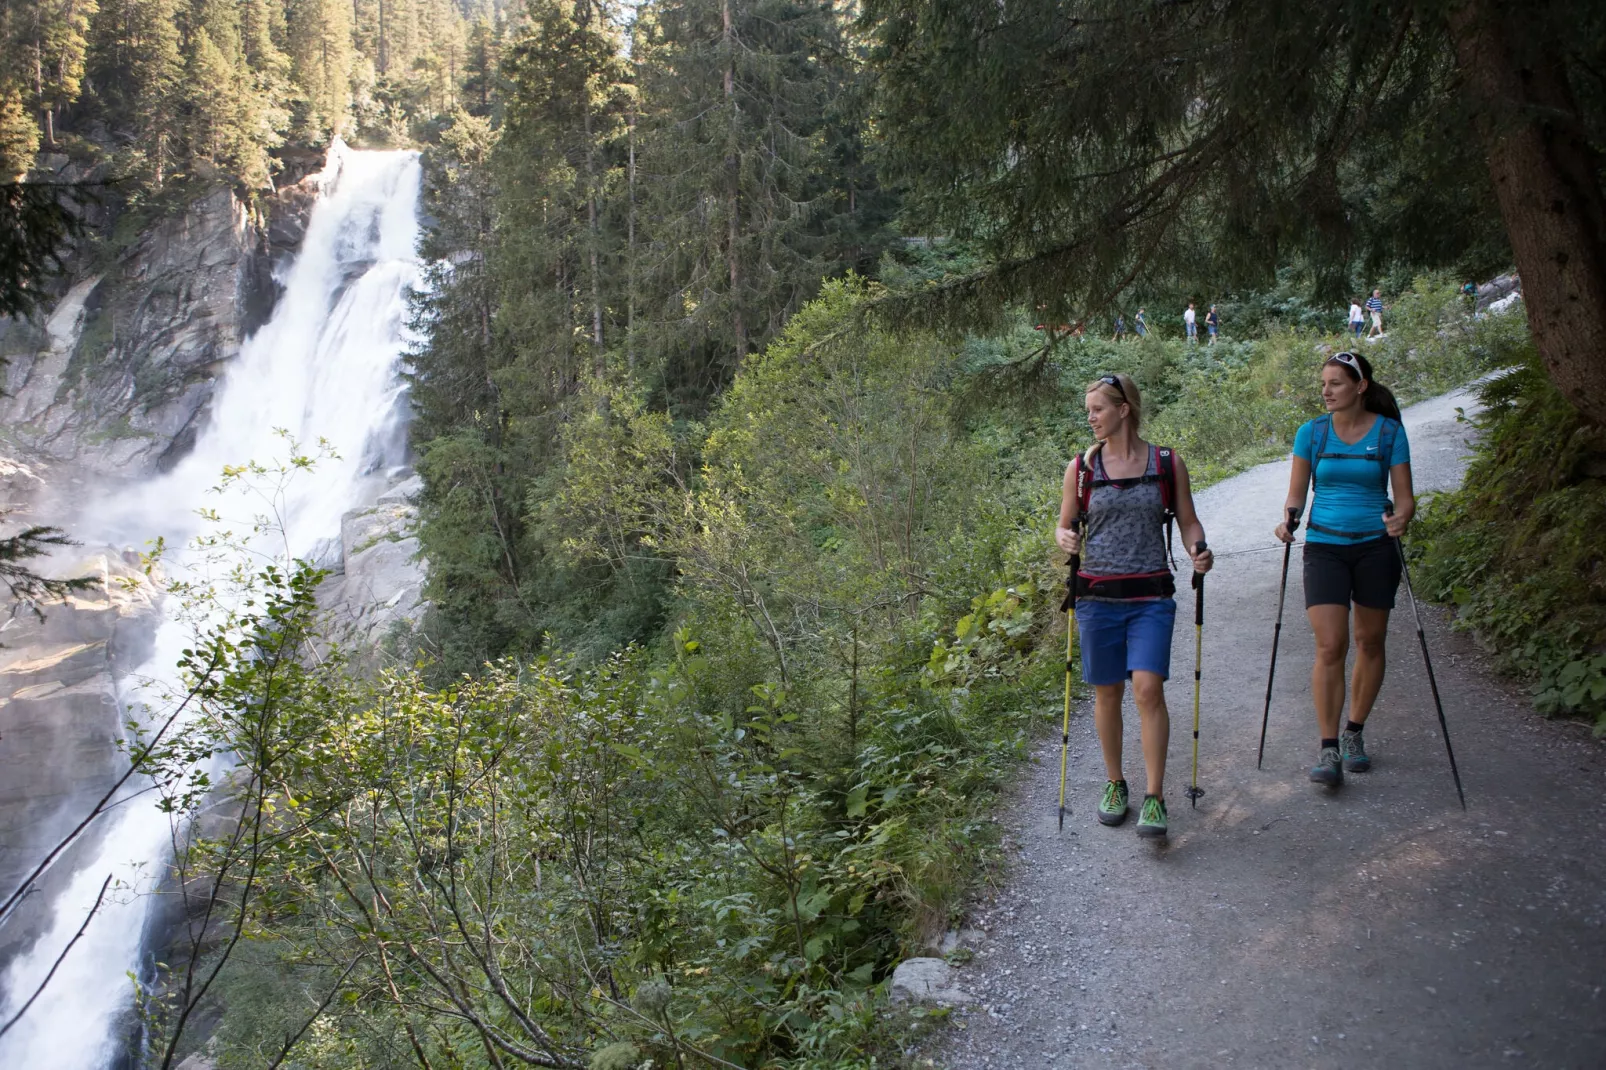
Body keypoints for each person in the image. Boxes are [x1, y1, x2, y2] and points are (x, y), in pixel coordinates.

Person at [1055, 374, 1213, 840]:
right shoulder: (1081, 470)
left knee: (1147, 688)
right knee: (1107, 693)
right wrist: (1063, 535)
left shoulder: (1166, 462)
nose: (1090, 417)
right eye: (1088, 409)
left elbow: (1187, 519)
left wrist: (1197, 548)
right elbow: (1064, 525)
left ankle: (1155, 796)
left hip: (1150, 596)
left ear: (1124, 410)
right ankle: (1115, 784)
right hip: (1096, 598)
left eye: (1098, 408)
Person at [1272, 351, 1412, 788]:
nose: (1326, 391)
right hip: (1325, 546)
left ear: (1360, 386)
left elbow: (1405, 497)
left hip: (1375, 546)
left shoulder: (1389, 433)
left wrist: (1401, 517)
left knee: (1370, 640)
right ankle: (1328, 747)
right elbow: (1296, 494)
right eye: (1324, 384)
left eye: (1335, 383)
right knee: (1330, 645)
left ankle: (1355, 733)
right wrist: (1289, 518)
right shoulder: (1311, 434)